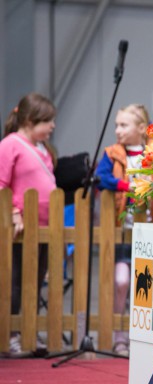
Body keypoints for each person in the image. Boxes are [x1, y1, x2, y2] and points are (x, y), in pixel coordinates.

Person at [95, 103, 153, 356]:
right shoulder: (112, 154)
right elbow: (101, 178)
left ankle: (140, 336)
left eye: (124, 125)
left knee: (144, 286)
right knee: (121, 281)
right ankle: (119, 334)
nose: (118, 130)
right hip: (121, 230)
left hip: (148, 229)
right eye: (117, 125)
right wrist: (124, 185)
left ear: (141, 128)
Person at [0, 93, 57, 356]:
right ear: (30, 120)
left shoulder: (44, 148)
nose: (53, 126)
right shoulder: (10, 145)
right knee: (15, 281)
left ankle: (29, 330)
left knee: (35, 281)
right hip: (20, 229)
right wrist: (13, 213)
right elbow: (1, 184)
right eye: (48, 121)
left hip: (45, 228)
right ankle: (10, 333)